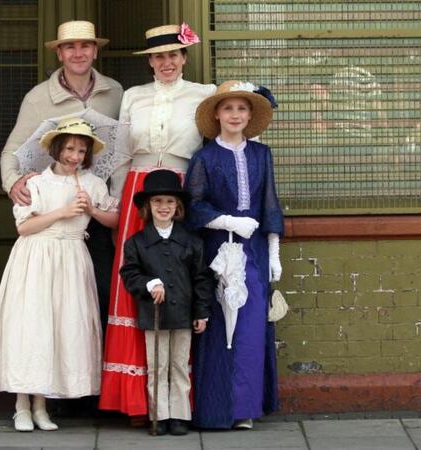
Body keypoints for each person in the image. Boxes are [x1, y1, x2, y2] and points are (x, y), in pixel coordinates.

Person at [99, 23, 217, 418]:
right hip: (138, 192)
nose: (166, 63)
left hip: (183, 190)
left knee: (181, 280)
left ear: (184, 57)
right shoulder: (134, 96)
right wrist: (117, 207)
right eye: (158, 56)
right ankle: (137, 400)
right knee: (137, 282)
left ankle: (180, 404)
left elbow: (214, 151)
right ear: (149, 61)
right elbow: (119, 156)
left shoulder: (204, 95)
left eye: (173, 55)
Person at [0, 117, 120, 432]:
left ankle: (42, 407)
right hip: (36, 258)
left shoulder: (93, 184)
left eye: (82, 151)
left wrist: (92, 211)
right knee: (32, 327)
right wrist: (62, 211)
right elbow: (24, 227)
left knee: (60, 330)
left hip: (72, 260)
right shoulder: (36, 183)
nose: (75, 156)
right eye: (70, 148)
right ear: (57, 148)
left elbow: (115, 218)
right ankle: (21, 406)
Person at [0, 20, 123, 333]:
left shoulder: (116, 93)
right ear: (59, 54)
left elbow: (124, 149)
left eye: (85, 46)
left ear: (95, 51)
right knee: (56, 300)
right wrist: (13, 181)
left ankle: (101, 374)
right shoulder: (38, 98)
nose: (78, 53)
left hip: (96, 205)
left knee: (103, 291)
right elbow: (12, 150)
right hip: (54, 211)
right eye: (70, 47)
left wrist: (116, 204)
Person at [184, 80, 284, 430]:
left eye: (242, 108)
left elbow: (270, 203)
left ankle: (246, 408)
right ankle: (217, 408)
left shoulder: (262, 155)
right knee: (218, 328)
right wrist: (226, 220)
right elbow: (192, 207)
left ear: (250, 114)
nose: (235, 114)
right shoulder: (204, 157)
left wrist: (273, 250)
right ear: (216, 114)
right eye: (228, 108)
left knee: (252, 326)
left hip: (253, 250)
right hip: (218, 251)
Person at [118, 170, 212, 436]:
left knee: (180, 365)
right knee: (157, 366)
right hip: (154, 314)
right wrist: (150, 283)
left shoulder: (192, 242)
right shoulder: (136, 243)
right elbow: (130, 274)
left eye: (169, 202)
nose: (163, 207)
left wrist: (202, 312)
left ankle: (180, 416)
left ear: (178, 206)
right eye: (157, 201)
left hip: (183, 315)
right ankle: (159, 416)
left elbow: (202, 278)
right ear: (148, 206)